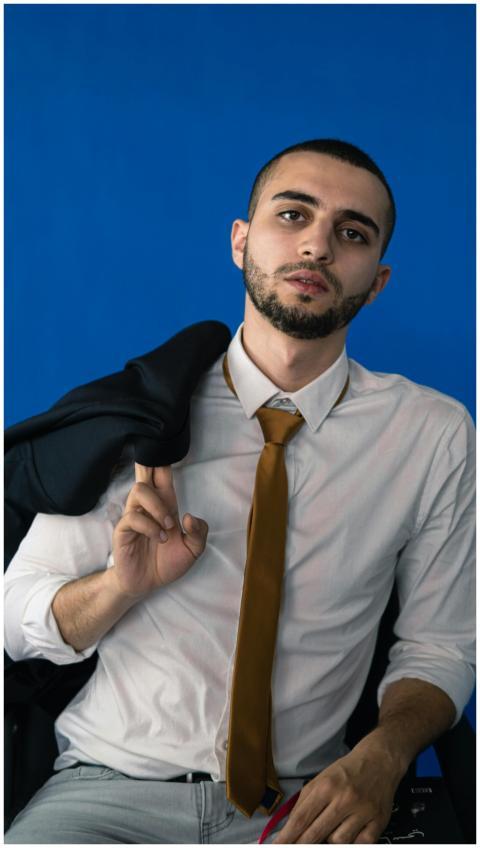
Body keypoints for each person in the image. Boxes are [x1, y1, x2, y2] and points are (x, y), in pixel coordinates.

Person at [5, 139, 475, 844]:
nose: (317, 246)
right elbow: (14, 619)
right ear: (241, 241)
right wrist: (119, 588)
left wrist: (382, 756)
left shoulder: (432, 435)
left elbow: (441, 647)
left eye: (351, 233)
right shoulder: (144, 415)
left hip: (305, 805)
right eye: (293, 215)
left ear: (376, 280)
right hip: (105, 791)